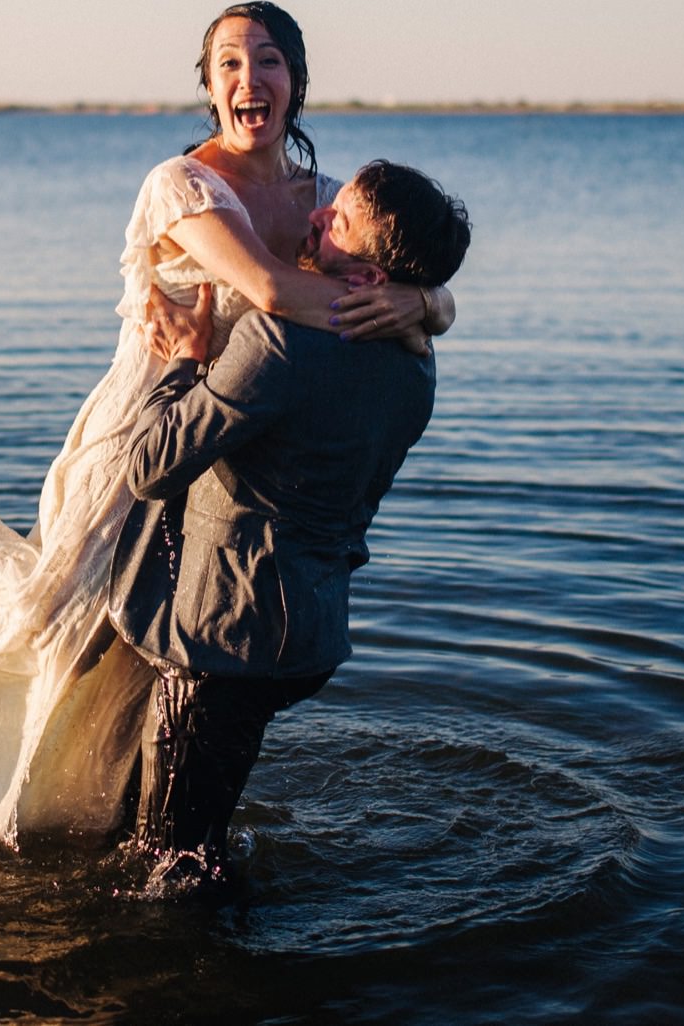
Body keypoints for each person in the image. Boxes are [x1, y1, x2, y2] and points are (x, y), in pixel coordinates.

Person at [0, 2, 454, 849]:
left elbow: (396, 263)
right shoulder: (180, 185)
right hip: (145, 427)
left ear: (295, 82)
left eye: (267, 61)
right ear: (211, 86)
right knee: (56, 621)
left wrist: (425, 295)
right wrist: (418, 306)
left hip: (232, 447)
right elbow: (265, 292)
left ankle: (117, 824)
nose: (248, 79)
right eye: (227, 63)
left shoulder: (330, 202)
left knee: (154, 662)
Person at [108, 159, 471, 893]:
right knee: (201, 836)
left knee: (167, 871)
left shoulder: (278, 345)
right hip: (309, 635)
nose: (315, 217)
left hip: (223, 643)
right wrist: (430, 303)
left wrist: (183, 362)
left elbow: (149, 466)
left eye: (336, 222)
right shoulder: (419, 366)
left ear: (369, 281)